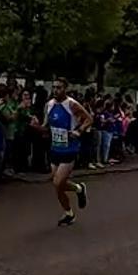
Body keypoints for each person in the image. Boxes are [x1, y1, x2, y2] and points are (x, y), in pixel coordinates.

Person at [44, 77, 93, 226]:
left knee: (58, 182)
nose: (55, 90)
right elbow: (45, 126)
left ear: (65, 89)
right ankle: (70, 210)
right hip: (55, 148)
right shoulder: (49, 105)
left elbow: (89, 119)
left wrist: (79, 131)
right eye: (54, 87)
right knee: (58, 185)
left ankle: (77, 192)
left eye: (59, 88)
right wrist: (36, 126)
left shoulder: (71, 105)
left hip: (69, 148)